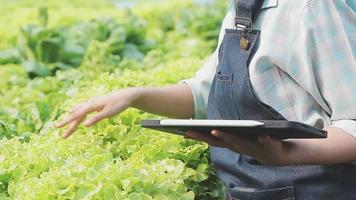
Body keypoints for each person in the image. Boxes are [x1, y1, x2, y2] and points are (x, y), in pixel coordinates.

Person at [57, 0, 356, 199]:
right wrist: (135, 96)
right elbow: (205, 92)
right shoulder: (242, 9)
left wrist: (285, 155)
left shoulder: (311, 8)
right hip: (252, 190)